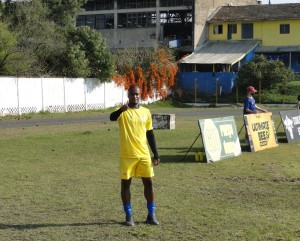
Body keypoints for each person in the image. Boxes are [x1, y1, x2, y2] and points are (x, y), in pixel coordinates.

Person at [110, 85, 160, 227]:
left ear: (140, 95)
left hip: (143, 154)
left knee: (149, 183)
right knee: (126, 184)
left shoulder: (146, 112)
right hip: (127, 155)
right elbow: (111, 117)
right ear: (128, 96)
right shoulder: (122, 111)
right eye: (132, 94)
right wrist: (121, 110)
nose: (135, 97)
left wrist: (155, 154)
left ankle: (151, 215)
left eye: (137, 94)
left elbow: (150, 134)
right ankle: (129, 215)